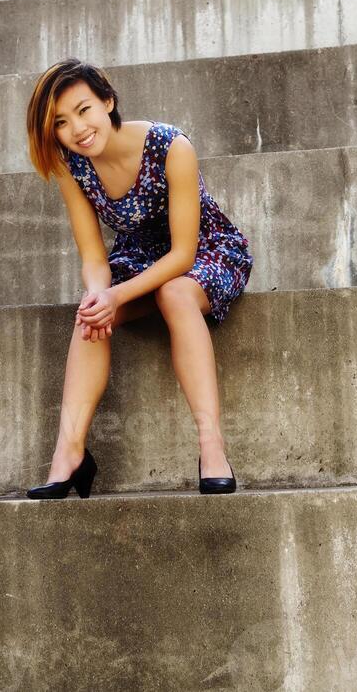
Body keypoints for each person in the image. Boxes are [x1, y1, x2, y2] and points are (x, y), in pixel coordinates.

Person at [23, 58, 254, 499]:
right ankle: (69, 452)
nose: (78, 128)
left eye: (84, 109)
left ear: (108, 101)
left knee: (175, 294)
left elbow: (183, 253)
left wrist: (117, 294)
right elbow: (93, 256)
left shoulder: (170, 146)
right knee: (89, 315)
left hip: (206, 252)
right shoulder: (72, 166)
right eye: (61, 123)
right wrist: (99, 295)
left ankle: (212, 445)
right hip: (136, 260)